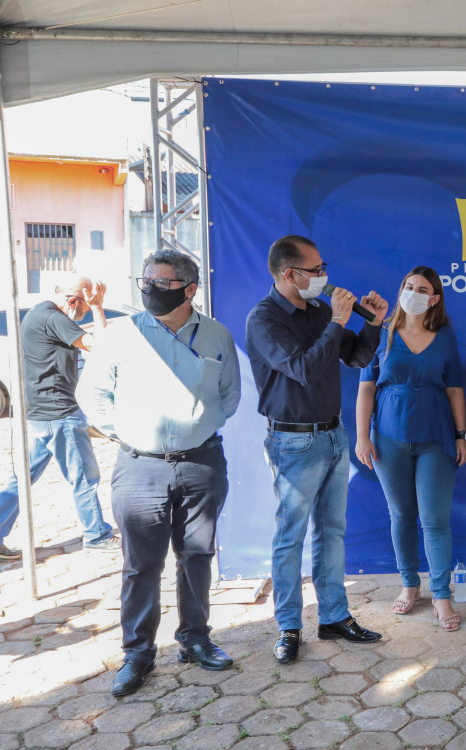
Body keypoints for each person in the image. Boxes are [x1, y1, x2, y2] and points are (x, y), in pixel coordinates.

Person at [77, 250, 240, 697]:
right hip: (139, 467)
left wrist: (194, 426)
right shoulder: (121, 336)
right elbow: (92, 395)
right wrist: (130, 434)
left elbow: (229, 396)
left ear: (190, 289)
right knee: (141, 566)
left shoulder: (217, 335)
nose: (149, 289)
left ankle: (195, 639)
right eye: (145, 280)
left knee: (197, 556)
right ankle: (138, 654)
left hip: (201, 463)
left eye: (161, 283)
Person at [246, 235, 388, 663]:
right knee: (290, 537)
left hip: (332, 434)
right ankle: (289, 626)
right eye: (316, 269)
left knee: (332, 531)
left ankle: (334, 616)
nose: (324, 276)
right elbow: (303, 369)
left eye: (324, 267)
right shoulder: (264, 319)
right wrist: (339, 320)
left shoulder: (321, 311)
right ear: (289, 274)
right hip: (293, 441)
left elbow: (357, 358)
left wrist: (373, 322)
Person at [355, 267, 466, 632]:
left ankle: (441, 594)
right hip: (388, 439)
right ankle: (409, 583)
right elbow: (366, 387)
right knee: (401, 515)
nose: (413, 293)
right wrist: (362, 436)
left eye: (422, 289)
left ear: (433, 298)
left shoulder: (445, 335)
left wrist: (462, 434)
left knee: (435, 519)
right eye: (408, 286)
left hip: (436, 437)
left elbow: (454, 388)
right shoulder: (382, 331)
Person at [0, 274, 118, 559]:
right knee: (84, 476)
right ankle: (97, 535)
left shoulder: (39, 312)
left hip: (42, 412)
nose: (86, 311)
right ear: (72, 300)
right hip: (59, 413)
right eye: (85, 305)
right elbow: (104, 347)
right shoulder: (54, 318)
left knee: (23, 478)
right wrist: (99, 308)